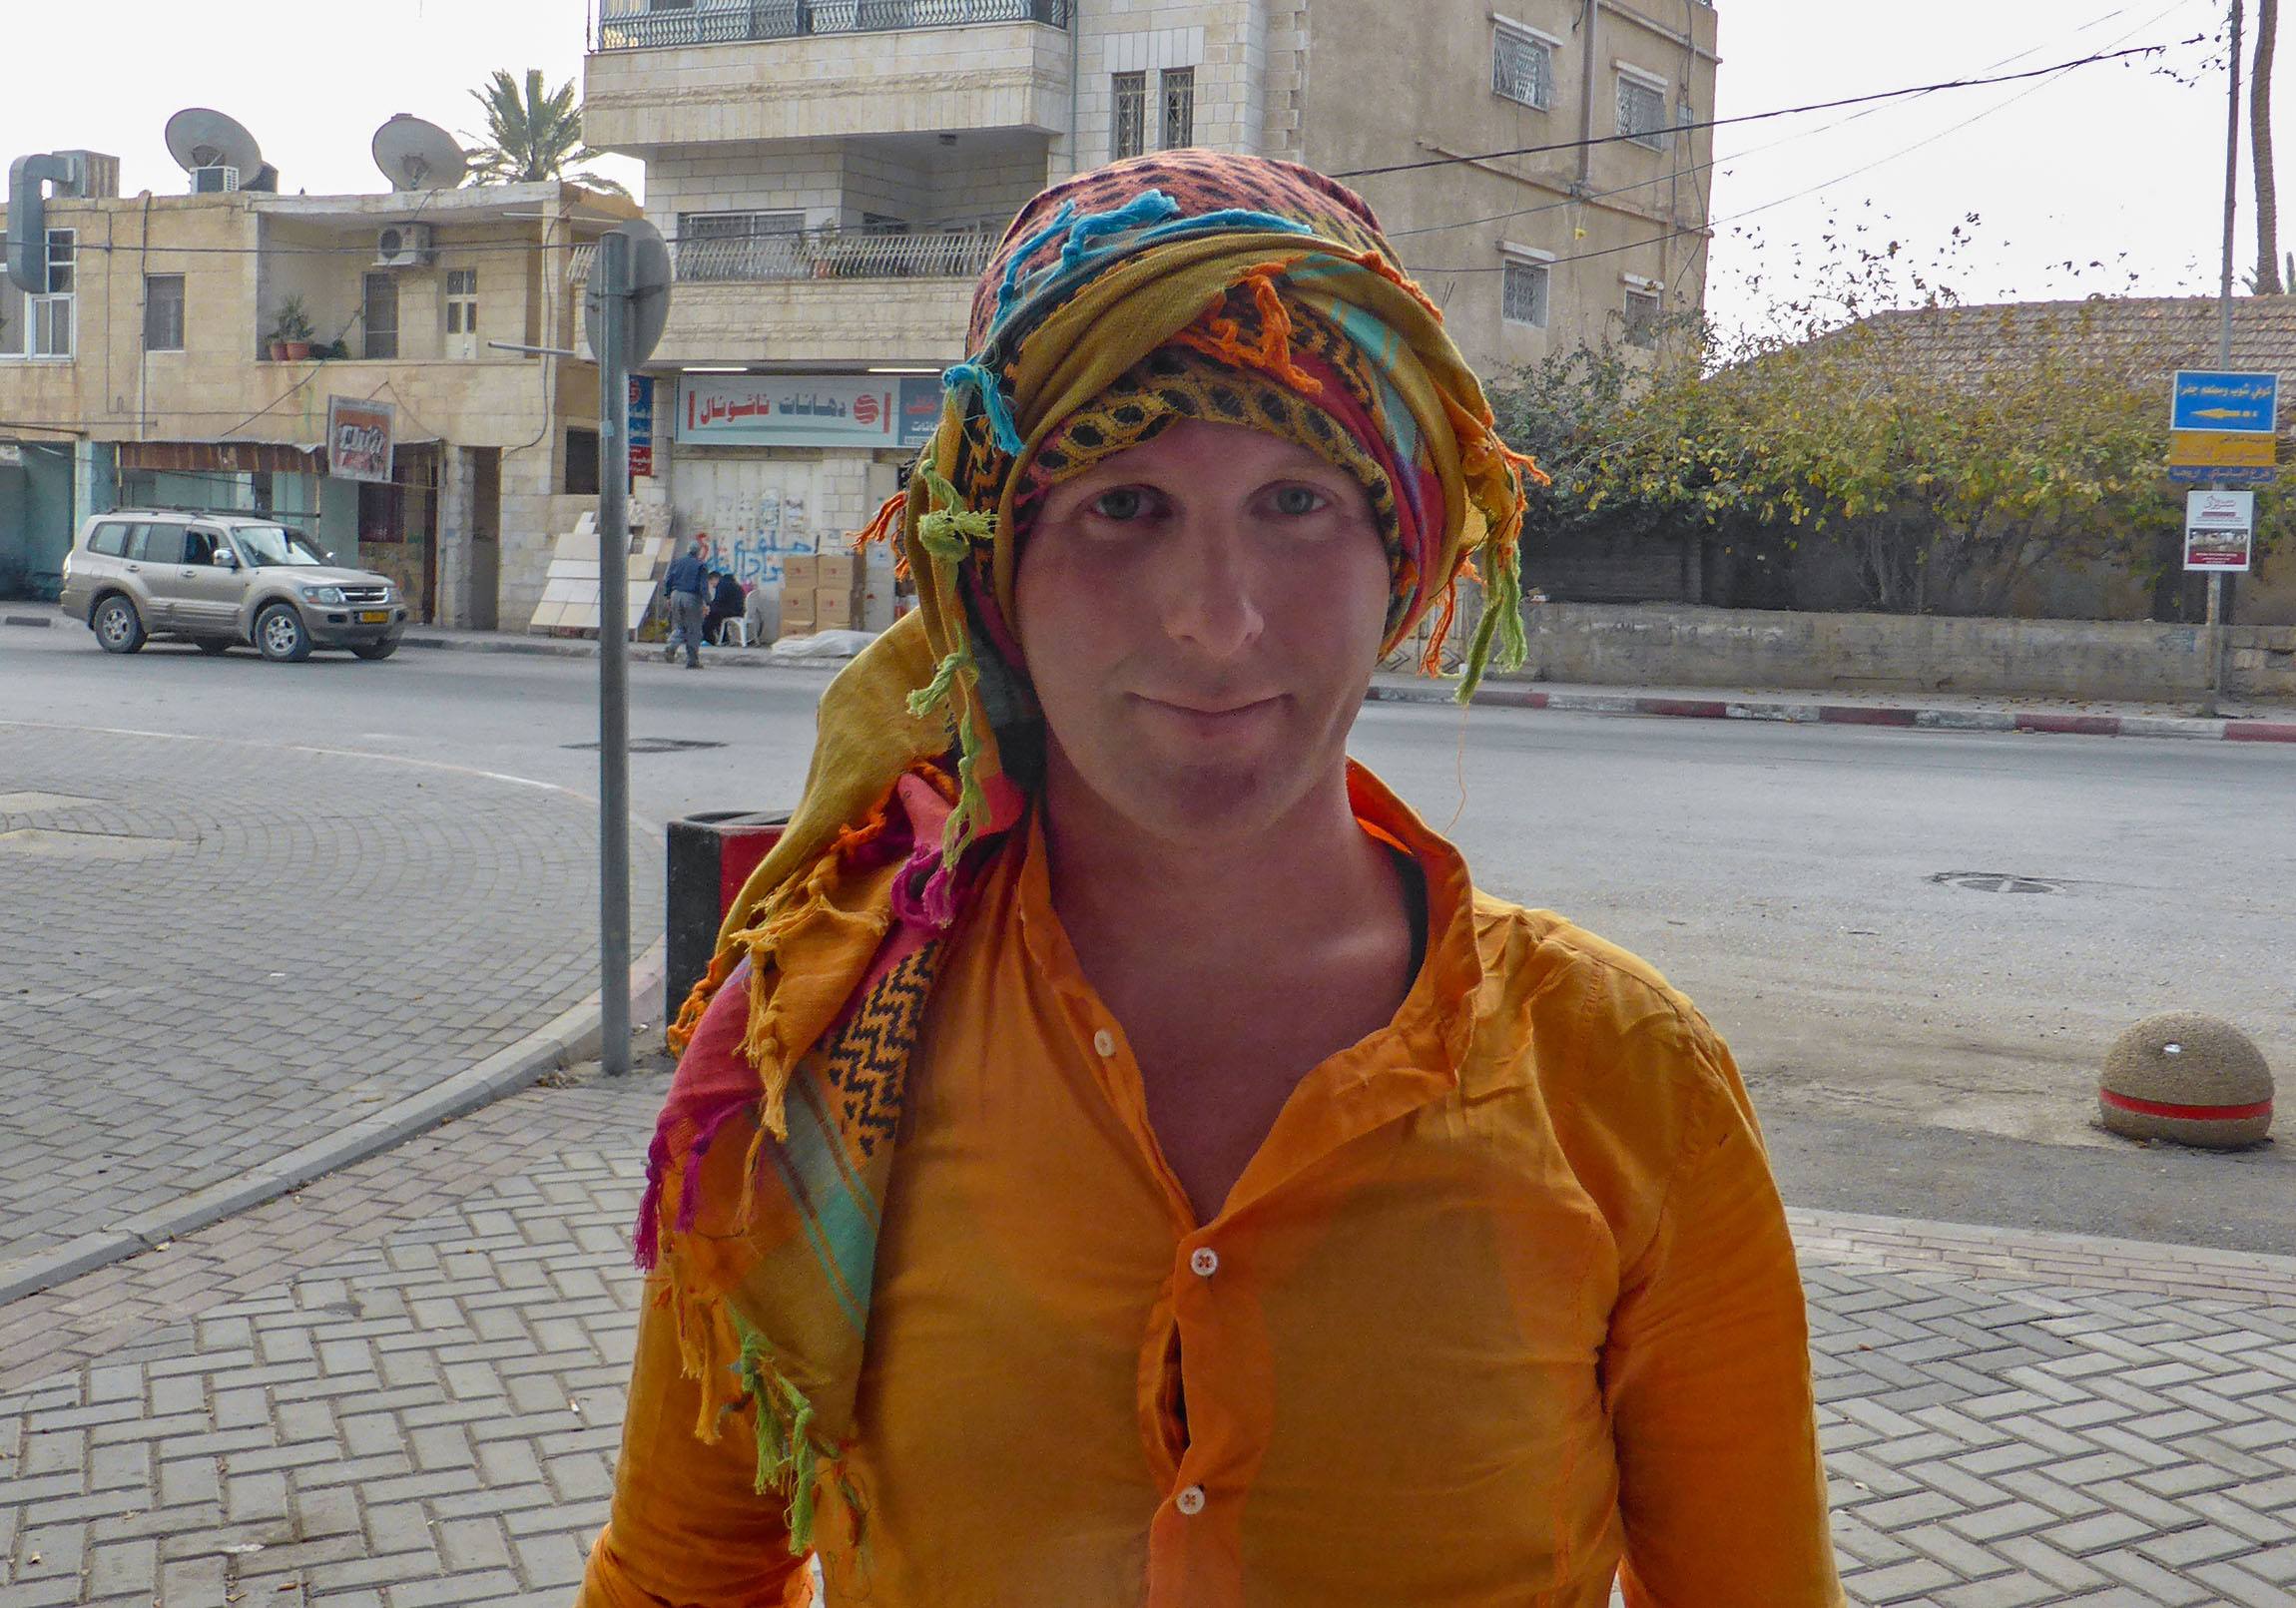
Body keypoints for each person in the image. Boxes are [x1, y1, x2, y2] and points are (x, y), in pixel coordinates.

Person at [581, 152, 1843, 1607]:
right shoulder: (828, 1034)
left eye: (1298, 502)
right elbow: (684, 1574)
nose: (1215, 621)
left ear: (1400, 557)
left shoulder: (1628, 1078)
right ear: (996, 570)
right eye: (1123, 506)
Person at [662, 541, 710, 669]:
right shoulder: (701, 565)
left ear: (688, 550)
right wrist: (707, 602)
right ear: (699, 552)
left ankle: (671, 646)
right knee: (694, 629)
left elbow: (668, 580)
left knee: (680, 625)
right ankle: (692, 660)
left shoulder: (677, 562)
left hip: (675, 595)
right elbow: (703, 586)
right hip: (691, 597)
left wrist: (667, 596)